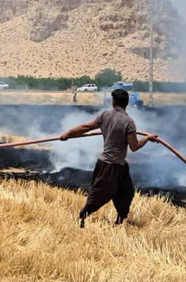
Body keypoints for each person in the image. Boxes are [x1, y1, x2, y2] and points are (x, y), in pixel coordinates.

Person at [60, 88, 158, 227]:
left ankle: (119, 221)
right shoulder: (128, 122)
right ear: (126, 103)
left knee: (126, 192)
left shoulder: (105, 115)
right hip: (109, 165)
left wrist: (67, 134)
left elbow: (85, 127)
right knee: (100, 195)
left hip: (119, 166)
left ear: (113, 102)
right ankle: (82, 217)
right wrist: (147, 138)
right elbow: (134, 147)